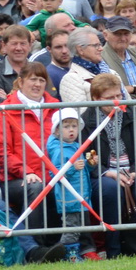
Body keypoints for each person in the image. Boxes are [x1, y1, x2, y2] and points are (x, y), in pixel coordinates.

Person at [83, 74, 136, 255]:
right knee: (110, 190)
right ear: (96, 99)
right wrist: (106, 172)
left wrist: (135, 171)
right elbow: (88, 155)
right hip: (105, 173)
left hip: (132, 169)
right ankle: (113, 249)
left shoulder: (133, 114)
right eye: (110, 97)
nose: (117, 101)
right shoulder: (86, 120)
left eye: (119, 95)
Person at [0, 60, 60, 235]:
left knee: (78, 182)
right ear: (21, 82)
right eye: (33, 79)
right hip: (16, 179)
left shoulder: (55, 107)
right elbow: (1, 151)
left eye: (41, 80)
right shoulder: (4, 110)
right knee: (35, 187)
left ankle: (79, 244)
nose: (37, 84)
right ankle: (34, 244)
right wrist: (26, 172)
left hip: (52, 174)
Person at [43, 107, 98, 260]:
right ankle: (69, 255)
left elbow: (82, 168)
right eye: (66, 127)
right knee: (71, 228)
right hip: (69, 197)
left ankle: (74, 253)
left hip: (80, 194)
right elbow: (55, 174)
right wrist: (73, 168)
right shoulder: (59, 149)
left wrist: (90, 164)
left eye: (74, 126)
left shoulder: (74, 145)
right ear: (57, 130)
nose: (71, 130)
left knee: (79, 227)